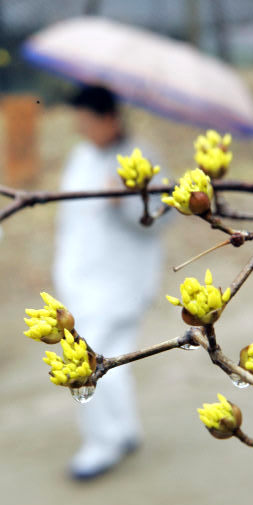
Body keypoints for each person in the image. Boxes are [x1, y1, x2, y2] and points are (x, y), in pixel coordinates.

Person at [53, 86, 163, 480]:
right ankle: (125, 430)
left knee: (86, 361)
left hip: (121, 283)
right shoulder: (81, 154)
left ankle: (101, 444)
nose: (81, 128)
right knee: (113, 358)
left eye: (86, 120)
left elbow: (162, 217)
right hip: (81, 279)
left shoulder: (141, 158)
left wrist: (129, 201)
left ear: (109, 118)